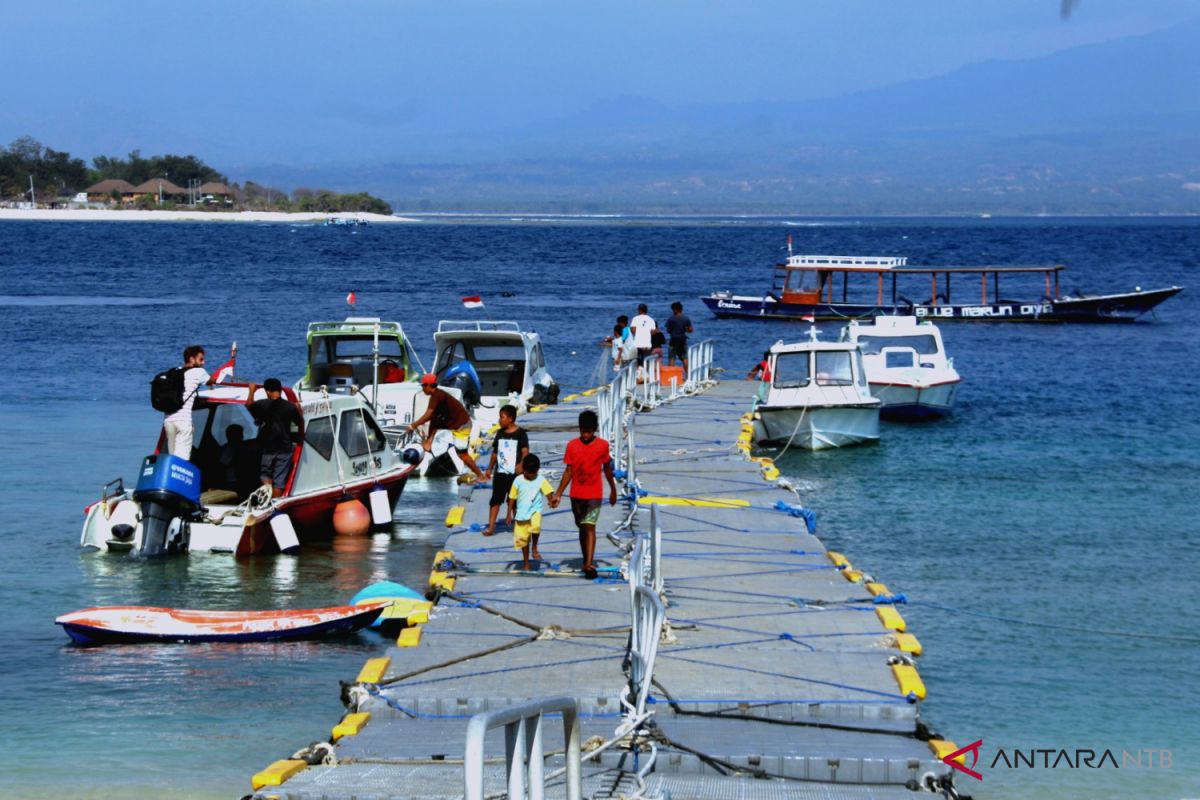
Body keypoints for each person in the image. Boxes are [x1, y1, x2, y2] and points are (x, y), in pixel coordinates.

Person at [552, 409, 617, 580]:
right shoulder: (572, 446)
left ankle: (588, 564)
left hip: (595, 494)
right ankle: (585, 558)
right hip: (576, 494)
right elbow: (568, 471)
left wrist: (613, 490)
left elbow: (607, 469)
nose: (586, 435)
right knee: (581, 526)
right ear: (579, 428)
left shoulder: (603, 446)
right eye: (583, 431)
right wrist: (558, 493)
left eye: (589, 431)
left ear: (595, 429)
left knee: (590, 526)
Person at [406, 373, 485, 481]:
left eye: (423, 386)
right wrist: (429, 439)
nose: (423, 388)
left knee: (462, 455)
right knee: (435, 420)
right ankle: (428, 442)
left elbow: (428, 415)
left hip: (461, 426)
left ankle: (480, 475)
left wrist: (413, 425)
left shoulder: (438, 396)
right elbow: (433, 417)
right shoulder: (436, 395)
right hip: (454, 424)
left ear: (429, 385)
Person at [247, 378, 303, 498]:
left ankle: (267, 499)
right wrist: (298, 410)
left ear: (267, 392)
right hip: (285, 449)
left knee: (265, 475)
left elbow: (249, 405)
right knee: (279, 481)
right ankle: (274, 504)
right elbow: (300, 424)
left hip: (268, 448)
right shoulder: (290, 407)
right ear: (281, 390)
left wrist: (251, 390)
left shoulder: (262, 405)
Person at [482, 404, 529, 537]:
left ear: (510, 419)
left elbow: (525, 450)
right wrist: (490, 468)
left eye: (502, 417)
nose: (499, 420)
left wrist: (522, 464)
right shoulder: (500, 433)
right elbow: (495, 453)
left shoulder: (520, 433)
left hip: (515, 473)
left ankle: (518, 526)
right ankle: (491, 526)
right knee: (496, 499)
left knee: (514, 500)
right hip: (500, 472)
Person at [163, 344, 216, 458]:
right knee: (182, 460)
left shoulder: (174, 372)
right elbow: (212, 381)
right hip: (183, 422)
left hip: (168, 421)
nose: (203, 363)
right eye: (201, 359)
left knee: (172, 457)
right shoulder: (198, 372)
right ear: (192, 359)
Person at [507, 453, 558, 570]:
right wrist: (508, 514)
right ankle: (526, 563)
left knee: (536, 527)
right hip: (521, 514)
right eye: (528, 472)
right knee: (523, 540)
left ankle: (534, 546)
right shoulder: (518, 480)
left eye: (533, 473)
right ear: (523, 469)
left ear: (538, 470)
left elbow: (548, 492)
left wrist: (552, 501)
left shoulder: (540, 479)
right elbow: (511, 498)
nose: (531, 475)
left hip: (535, 511)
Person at [664, 301, 694, 372]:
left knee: (672, 358)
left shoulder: (671, 319)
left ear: (675, 310)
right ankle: (688, 375)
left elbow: (668, 330)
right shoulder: (686, 318)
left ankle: (671, 376)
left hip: (673, 340)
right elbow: (690, 330)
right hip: (682, 340)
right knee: (684, 358)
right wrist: (685, 329)